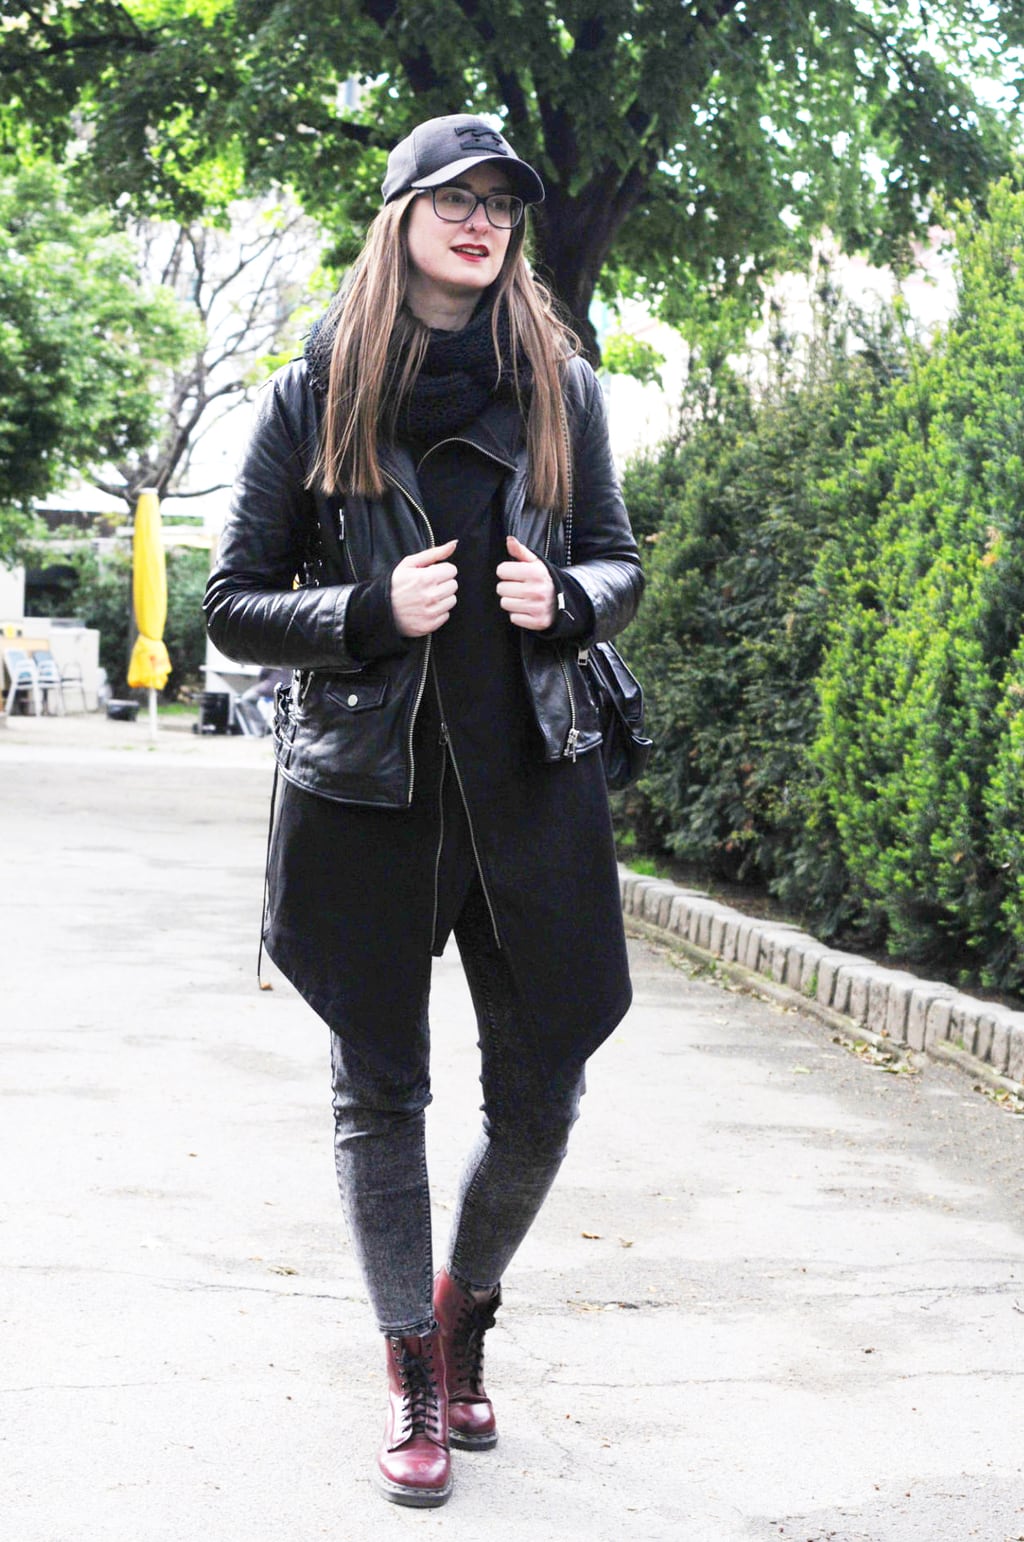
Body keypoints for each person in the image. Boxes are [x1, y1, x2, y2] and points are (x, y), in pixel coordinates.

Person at [204, 113, 644, 1508]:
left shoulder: (563, 389)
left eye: (502, 200)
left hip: (532, 785)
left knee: (545, 1091)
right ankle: (408, 1362)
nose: (481, 218)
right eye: (451, 196)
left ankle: (464, 1304)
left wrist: (569, 599)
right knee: (379, 1087)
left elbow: (620, 559)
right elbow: (227, 608)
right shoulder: (312, 393)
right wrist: (362, 610)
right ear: (398, 216)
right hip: (369, 798)